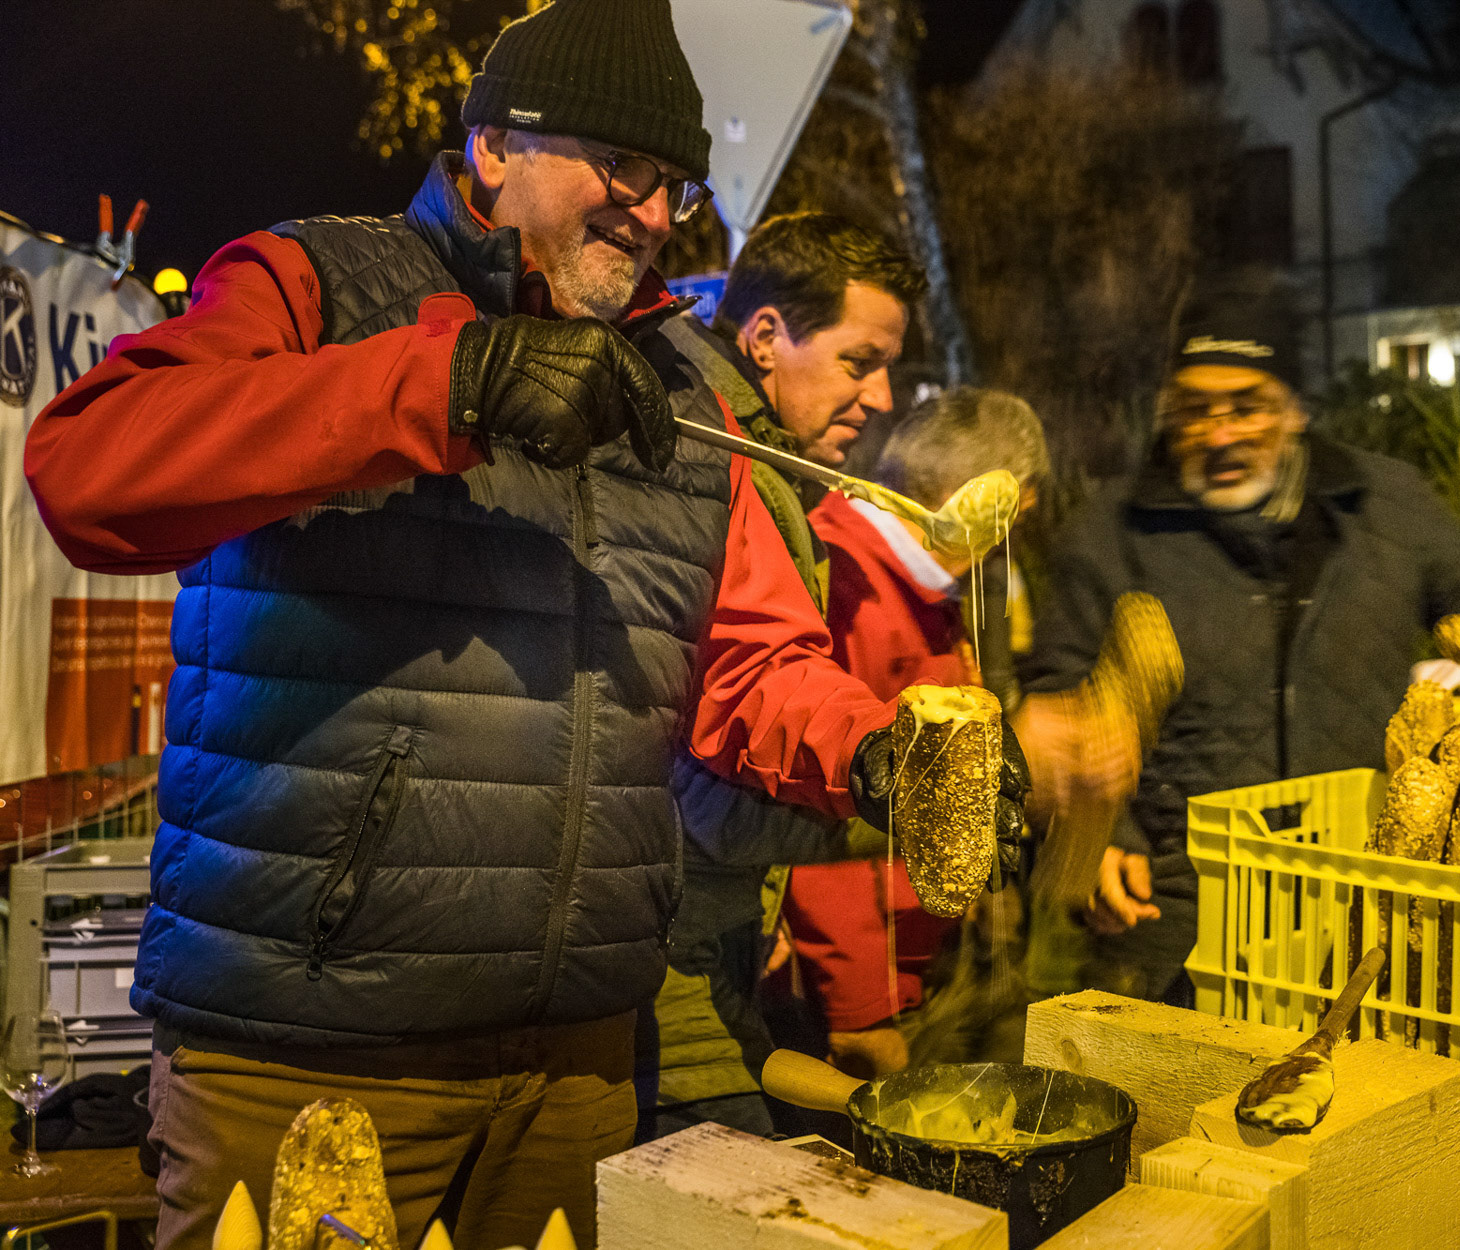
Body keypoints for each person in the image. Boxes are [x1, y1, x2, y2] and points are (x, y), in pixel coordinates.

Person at [21, 3, 1024, 1247]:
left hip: (579, 1057)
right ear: (494, 146)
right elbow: (89, 469)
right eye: (621, 164)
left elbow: (752, 662)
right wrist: (445, 383)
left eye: (674, 186)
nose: (651, 212)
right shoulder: (324, 283)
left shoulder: (685, 390)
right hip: (309, 1046)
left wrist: (875, 750)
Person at [1021, 275, 1460, 1004]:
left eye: (1247, 406)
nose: (1219, 435)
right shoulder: (1108, 533)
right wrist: (1103, 836)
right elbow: (1062, 690)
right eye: (1195, 411)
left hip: (1357, 885)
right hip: (1178, 902)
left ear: (1294, 409)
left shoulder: (1380, 502)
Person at [647, 213, 926, 1138]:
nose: (881, 396)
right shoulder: (700, 454)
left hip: (708, 936)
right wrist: (908, 793)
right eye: (859, 362)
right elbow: (704, 777)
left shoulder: (759, 462)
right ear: (765, 335)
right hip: (657, 953)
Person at [784, 387, 1050, 1078]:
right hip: (861, 989)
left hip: (919, 959)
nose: (1008, 539)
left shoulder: (919, 586)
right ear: (983, 500)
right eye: (1016, 515)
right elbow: (816, 807)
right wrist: (863, 1008)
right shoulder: (844, 585)